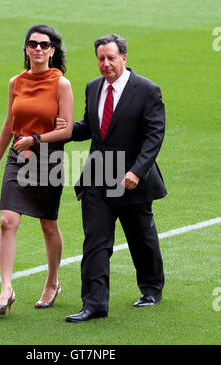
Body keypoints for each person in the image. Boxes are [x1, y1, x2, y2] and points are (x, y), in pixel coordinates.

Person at [57, 34, 167, 322]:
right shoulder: (93, 87)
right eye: (100, 58)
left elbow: (154, 136)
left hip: (131, 179)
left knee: (141, 238)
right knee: (95, 241)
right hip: (97, 176)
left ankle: (152, 288)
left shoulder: (147, 90)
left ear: (124, 58)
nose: (105, 64)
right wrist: (65, 129)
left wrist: (137, 171)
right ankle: (94, 305)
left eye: (111, 58)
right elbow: (92, 128)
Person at [0, 24, 73, 315]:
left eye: (44, 45)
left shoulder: (61, 84)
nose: (38, 49)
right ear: (26, 48)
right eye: (32, 44)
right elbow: (10, 122)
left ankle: (53, 281)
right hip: (17, 157)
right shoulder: (15, 82)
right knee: (7, 221)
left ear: (53, 51)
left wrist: (36, 139)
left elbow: (67, 130)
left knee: (48, 224)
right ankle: (6, 289)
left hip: (49, 157)